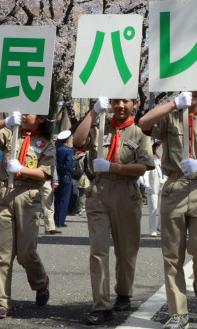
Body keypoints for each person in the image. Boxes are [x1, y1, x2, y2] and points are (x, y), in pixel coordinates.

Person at [138, 90, 197, 329]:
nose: (193, 90)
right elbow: (143, 123)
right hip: (174, 188)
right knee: (172, 256)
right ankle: (178, 312)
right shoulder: (170, 117)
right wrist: (172, 104)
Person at [73, 97, 155, 325]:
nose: (120, 106)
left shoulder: (139, 133)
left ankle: (124, 292)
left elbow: (143, 167)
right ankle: (101, 305)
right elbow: (78, 142)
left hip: (126, 191)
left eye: (125, 101)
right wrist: (92, 112)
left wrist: (114, 167)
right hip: (99, 191)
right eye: (115, 101)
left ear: (135, 103)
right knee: (98, 251)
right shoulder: (100, 127)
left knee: (126, 250)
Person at [0, 111, 55, 319]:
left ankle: (41, 281)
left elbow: (45, 173)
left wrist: (22, 169)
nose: (23, 116)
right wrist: (6, 121)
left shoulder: (46, 143)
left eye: (28, 113)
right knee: (2, 253)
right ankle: (3, 302)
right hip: (5, 194)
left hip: (28, 196)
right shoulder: (10, 133)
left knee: (26, 253)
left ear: (41, 118)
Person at [53, 130, 74, 229]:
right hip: (65, 176)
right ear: (68, 140)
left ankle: (55, 219)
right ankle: (61, 221)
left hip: (57, 175)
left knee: (57, 198)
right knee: (64, 199)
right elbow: (69, 164)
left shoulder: (56, 149)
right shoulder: (69, 150)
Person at [143, 142, 163, 235]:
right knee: (153, 208)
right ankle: (152, 229)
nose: (160, 150)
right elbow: (146, 172)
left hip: (164, 187)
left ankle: (160, 226)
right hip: (153, 187)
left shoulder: (165, 160)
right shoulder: (151, 159)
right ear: (154, 149)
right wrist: (146, 182)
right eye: (158, 148)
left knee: (162, 208)